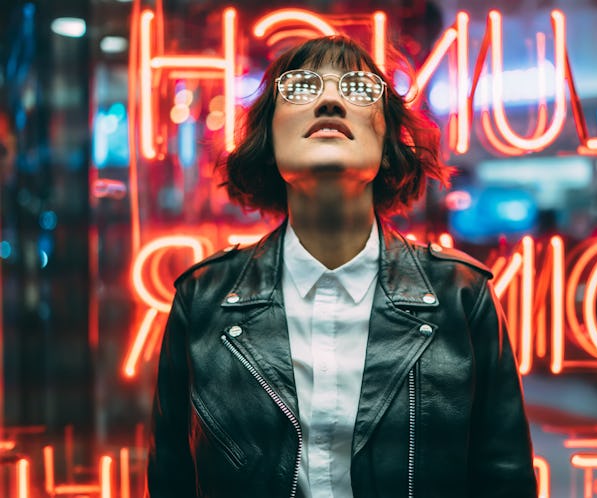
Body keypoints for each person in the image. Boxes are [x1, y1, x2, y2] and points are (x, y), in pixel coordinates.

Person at [146, 35, 537, 498]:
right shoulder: (204, 299)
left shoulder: (460, 294)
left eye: (357, 89)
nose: (330, 98)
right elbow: (171, 475)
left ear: (389, 142)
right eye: (300, 88)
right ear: (266, 138)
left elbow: (504, 478)